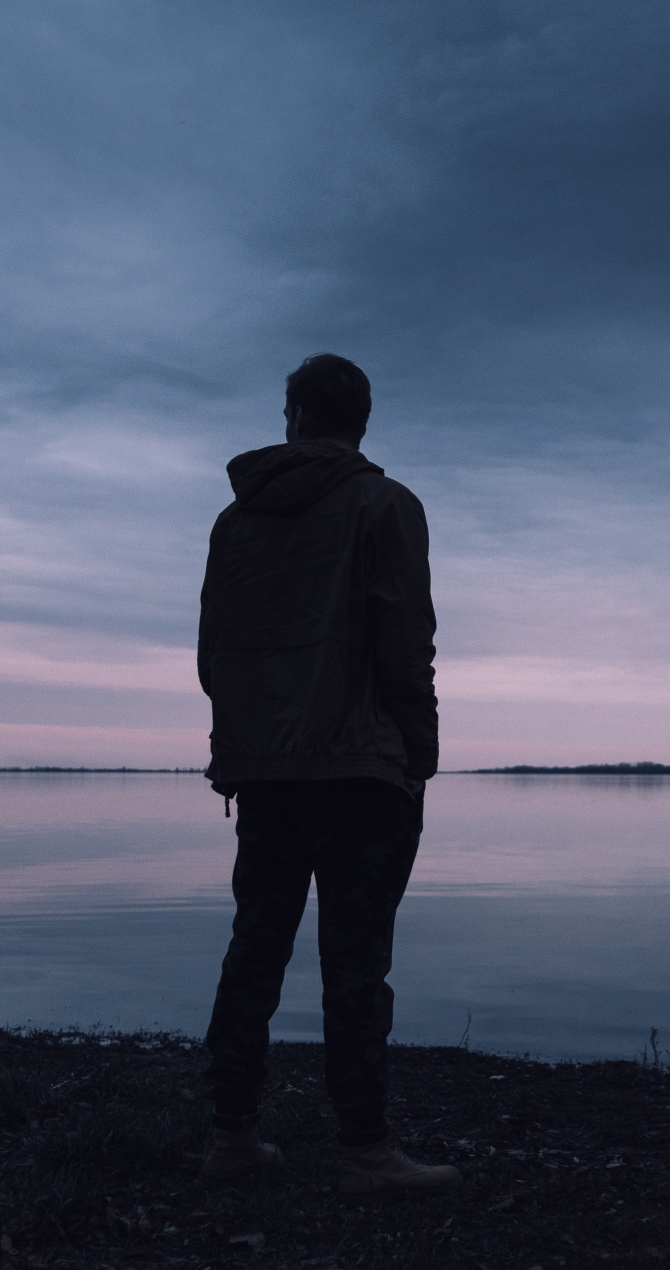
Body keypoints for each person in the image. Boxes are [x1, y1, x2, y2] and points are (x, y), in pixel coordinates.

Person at [197, 353, 459, 1197]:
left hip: (267, 772)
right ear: (361, 420)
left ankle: (231, 1136)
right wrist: (419, 753)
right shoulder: (387, 505)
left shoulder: (234, 525)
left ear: (296, 417)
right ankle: (364, 1151)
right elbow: (403, 646)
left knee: (254, 951)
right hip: (360, 774)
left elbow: (214, 657)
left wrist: (245, 746)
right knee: (355, 965)